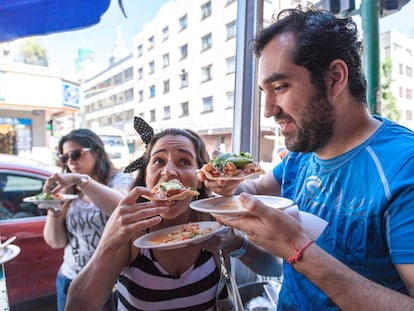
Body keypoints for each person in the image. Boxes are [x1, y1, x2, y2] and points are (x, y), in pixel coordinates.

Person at [199, 6, 414, 310]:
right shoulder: (302, 155)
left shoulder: (404, 168)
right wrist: (226, 186)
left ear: (334, 78)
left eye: (281, 87)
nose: (268, 110)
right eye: (264, 92)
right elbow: (253, 192)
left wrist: (298, 249)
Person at [65, 119, 281, 310]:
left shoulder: (212, 221)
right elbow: (76, 306)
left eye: (184, 161)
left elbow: (272, 269)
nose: (168, 171)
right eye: (158, 160)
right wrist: (108, 244)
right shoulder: (132, 232)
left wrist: (236, 244)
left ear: (199, 177)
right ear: (146, 176)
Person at [42, 128, 132, 311]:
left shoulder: (118, 179)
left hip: (112, 280)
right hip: (71, 277)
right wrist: (53, 207)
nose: (71, 162)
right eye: (65, 158)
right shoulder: (68, 189)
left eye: (76, 154)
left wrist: (80, 179)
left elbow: (121, 207)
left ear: (96, 151)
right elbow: (56, 241)